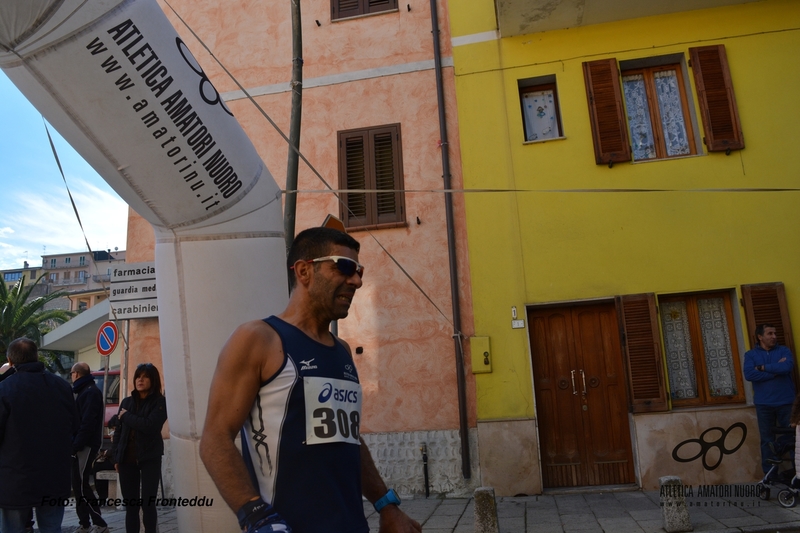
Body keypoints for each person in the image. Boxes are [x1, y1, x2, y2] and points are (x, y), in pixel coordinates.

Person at [200, 227, 421, 533]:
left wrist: (386, 505)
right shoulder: (258, 339)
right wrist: (255, 516)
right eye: (343, 267)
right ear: (304, 271)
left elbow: (350, 440)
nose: (356, 280)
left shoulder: (343, 351)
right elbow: (215, 439)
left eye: (359, 271)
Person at [0, 338, 79, 533]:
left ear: (10, 360)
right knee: (52, 528)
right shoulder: (62, 386)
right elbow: (75, 425)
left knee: (12, 528)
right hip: (54, 475)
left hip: (15, 478)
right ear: (37, 357)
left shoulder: (5, 389)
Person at [112, 362, 168, 533]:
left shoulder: (160, 402)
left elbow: (150, 425)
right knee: (131, 507)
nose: (140, 380)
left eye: (145, 377)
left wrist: (126, 417)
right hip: (126, 459)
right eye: (138, 376)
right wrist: (116, 457)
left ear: (153, 380)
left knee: (148, 504)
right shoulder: (126, 402)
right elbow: (119, 432)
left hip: (150, 457)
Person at [744, 323, 796, 476]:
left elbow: (786, 367)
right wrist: (774, 371)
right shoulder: (751, 355)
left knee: (793, 439)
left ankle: (797, 475)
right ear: (760, 337)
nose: (774, 336)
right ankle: (770, 476)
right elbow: (749, 375)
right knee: (767, 441)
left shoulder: (784, 351)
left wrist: (762, 368)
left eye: (775, 333)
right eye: (770, 333)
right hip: (764, 404)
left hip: (786, 402)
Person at [70, 362, 110, 533]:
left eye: (72, 373)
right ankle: (84, 524)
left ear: (77, 374)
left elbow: (87, 423)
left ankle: (99, 523)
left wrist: (76, 445)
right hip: (81, 445)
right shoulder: (84, 391)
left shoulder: (90, 392)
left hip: (85, 446)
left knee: (81, 485)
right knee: (79, 485)